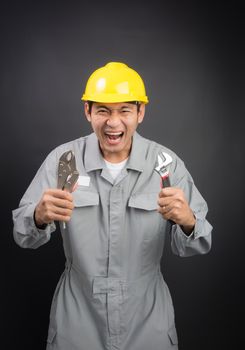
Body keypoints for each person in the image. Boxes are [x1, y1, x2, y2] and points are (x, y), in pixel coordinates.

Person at [12, 62, 212, 350]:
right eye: (103, 110)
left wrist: (189, 221)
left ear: (140, 112)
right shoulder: (64, 161)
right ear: (88, 112)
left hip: (147, 321)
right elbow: (22, 235)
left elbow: (200, 242)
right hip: (77, 321)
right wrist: (38, 217)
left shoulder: (165, 166)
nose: (113, 122)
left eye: (124, 111)